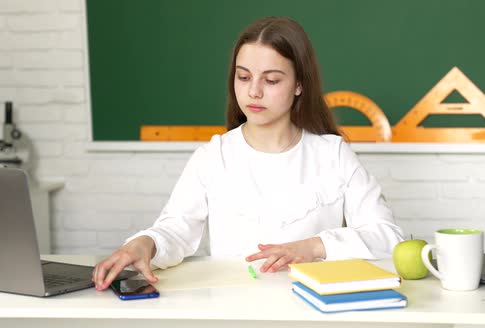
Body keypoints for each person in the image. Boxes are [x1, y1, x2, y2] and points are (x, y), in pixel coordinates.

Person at [93, 16, 404, 291]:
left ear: (299, 85)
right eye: (243, 77)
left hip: (312, 312)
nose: (253, 92)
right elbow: (175, 229)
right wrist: (145, 243)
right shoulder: (213, 156)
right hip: (232, 311)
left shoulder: (333, 154)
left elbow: (389, 238)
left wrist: (315, 247)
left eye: (271, 80)